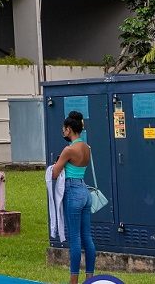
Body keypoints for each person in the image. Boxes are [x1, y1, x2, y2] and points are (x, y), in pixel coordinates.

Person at [50, 111, 95, 284]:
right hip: (85, 190)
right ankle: (90, 277)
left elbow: (55, 173)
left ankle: (73, 280)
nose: (63, 132)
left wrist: (57, 164)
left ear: (69, 129)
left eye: (64, 129)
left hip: (73, 192)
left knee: (75, 238)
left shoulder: (69, 149)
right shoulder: (86, 147)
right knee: (87, 237)